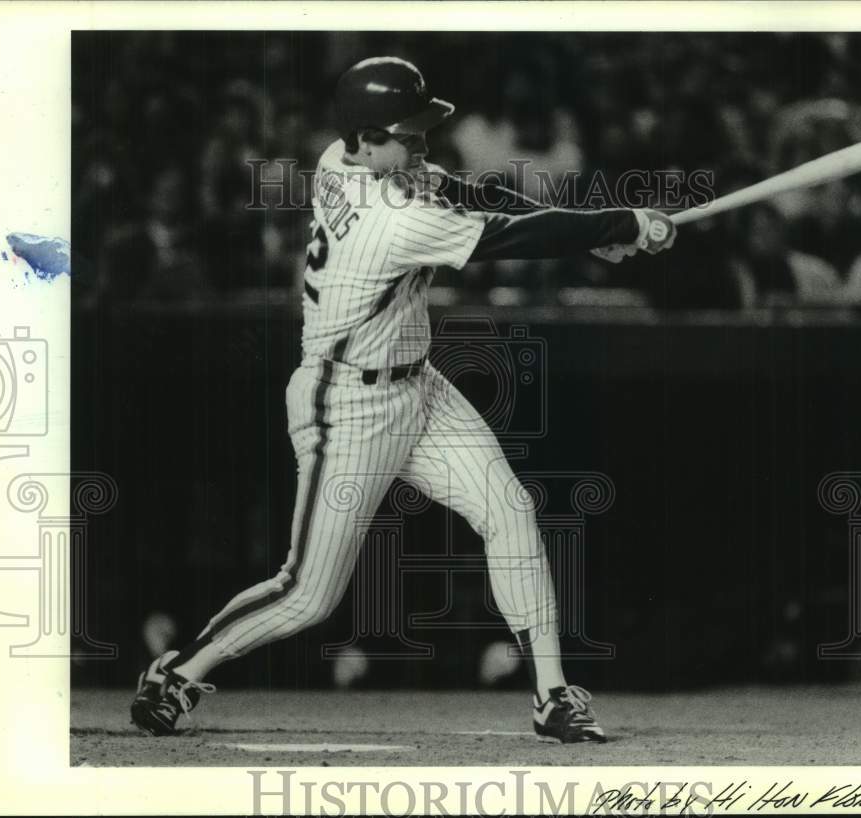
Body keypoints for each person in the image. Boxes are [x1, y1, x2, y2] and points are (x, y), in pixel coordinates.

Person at [131, 56, 676, 744]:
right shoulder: (384, 213)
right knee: (309, 594)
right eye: (404, 132)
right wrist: (617, 224)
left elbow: (472, 195)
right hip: (346, 405)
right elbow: (505, 240)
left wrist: (597, 231)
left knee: (509, 510)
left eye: (421, 129)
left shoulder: (348, 157)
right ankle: (178, 675)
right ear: (362, 139)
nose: (419, 142)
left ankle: (551, 694)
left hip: (416, 383)